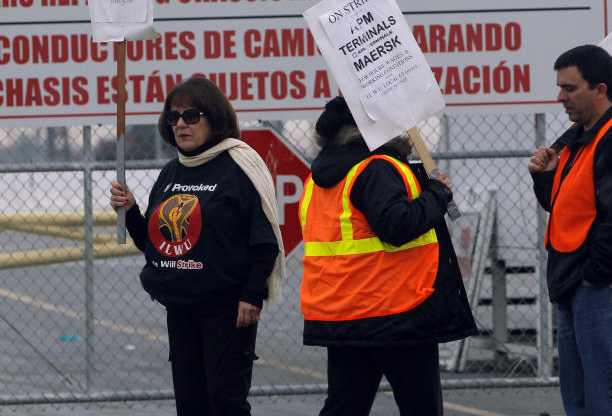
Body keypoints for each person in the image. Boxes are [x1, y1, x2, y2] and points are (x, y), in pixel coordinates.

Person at [109, 76, 284, 416]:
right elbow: (155, 245)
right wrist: (130, 212)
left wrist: (252, 294)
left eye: (191, 115)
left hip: (227, 307)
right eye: (173, 117)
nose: (180, 124)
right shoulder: (171, 172)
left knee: (226, 401)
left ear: (214, 118)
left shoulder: (239, 166)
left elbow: (264, 240)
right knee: (191, 403)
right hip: (180, 305)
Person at [298, 96, 476, 416]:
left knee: (344, 406)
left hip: (344, 313)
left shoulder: (320, 177)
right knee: (420, 407)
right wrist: (437, 195)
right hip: (396, 310)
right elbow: (396, 226)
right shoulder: (376, 167)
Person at [528, 44, 612, 416]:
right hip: (580, 283)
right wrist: (545, 178)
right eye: (560, 87)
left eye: (570, 88)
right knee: (582, 401)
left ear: (600, 90)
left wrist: (595, 276)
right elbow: (566, 205)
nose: (560, 96)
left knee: (606, 402)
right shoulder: (581, 138)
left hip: (602, 285)